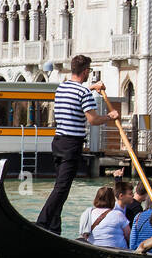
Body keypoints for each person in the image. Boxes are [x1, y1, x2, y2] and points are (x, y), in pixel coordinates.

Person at [37, 54, 119, 234]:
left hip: (57, 143)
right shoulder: (83, 93)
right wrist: (110, 116)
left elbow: (77, 92)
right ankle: (42, 223)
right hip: (71, 145)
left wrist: (93, 87)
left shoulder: (62, 88)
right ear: (86, 71)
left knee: (59, 186)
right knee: (62, 188)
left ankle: (54, 228)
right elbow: (93, 119)